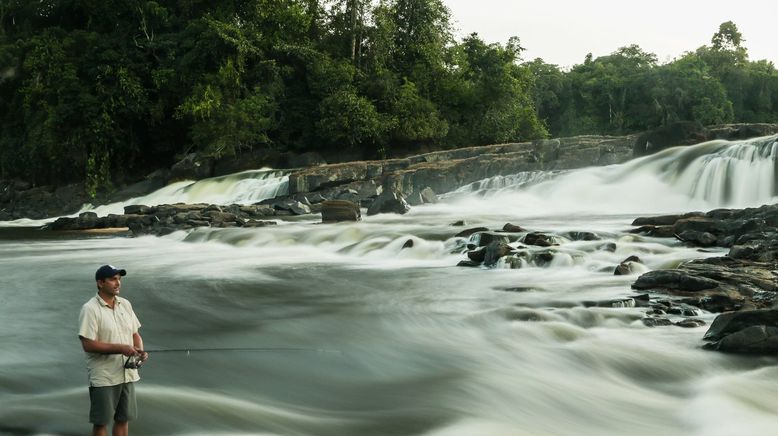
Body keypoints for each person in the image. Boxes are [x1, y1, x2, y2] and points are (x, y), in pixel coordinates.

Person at [78, 265, 149, 436]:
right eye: (113, 279)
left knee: (123, 419)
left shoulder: (125, 304)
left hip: (127, 373)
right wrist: (120, 348)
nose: (118, 283)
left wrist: (139, 351)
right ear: (100, 283)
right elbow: (88, 344)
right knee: (101, 422)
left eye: (119, 279)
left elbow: (135, 334)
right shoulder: (90, 309)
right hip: (104, 376)